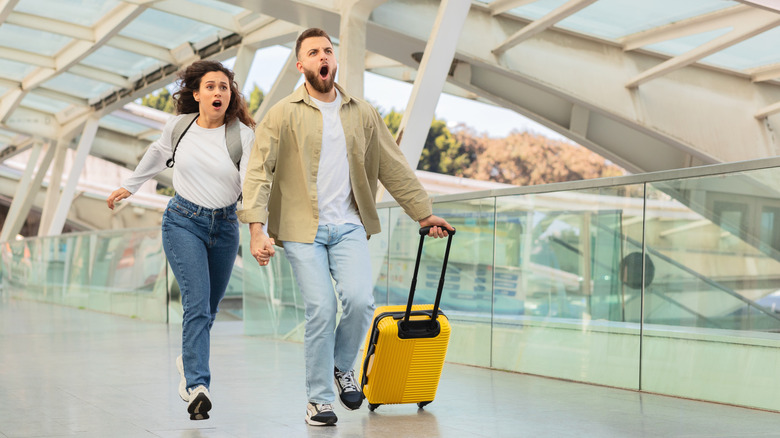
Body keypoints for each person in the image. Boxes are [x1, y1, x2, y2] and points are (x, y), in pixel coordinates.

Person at [239, 28, 453, 426]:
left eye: (327, 50)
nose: (323, 56)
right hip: (302, 228)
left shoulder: (362, 112)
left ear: (334, 60)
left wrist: (423, 213)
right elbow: (258, 172)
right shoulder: (282, 113)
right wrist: (256, 228)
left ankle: (342, 367)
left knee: (359, 301)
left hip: (350, 225)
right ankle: (318, 401)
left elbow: (392, 165)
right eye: (313, 52)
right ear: (300, 65)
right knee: (322, 307)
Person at [106, 60, 255, 421]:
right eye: (210, 86)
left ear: (230, 95)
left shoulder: (242, 135)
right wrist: (130, 185)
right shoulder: (180, 126)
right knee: (197, 304)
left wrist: (257, 229)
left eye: (224, 87)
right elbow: (158, 152)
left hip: (225, 227)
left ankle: (188, 358)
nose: (218, 92)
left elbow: (251, 185)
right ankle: (197, 385)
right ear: (197, 94)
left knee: (209, 309)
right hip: (183, 222)